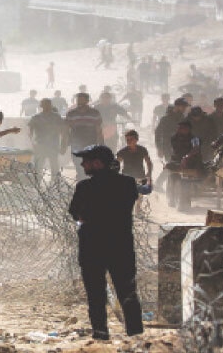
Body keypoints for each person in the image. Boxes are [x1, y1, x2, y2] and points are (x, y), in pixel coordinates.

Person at [68, 145, 144, 341]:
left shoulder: (84, 187)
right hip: (121, 246)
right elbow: (131, 199)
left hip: (92, 248)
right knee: (127, 291)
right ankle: (135, 333)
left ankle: (101, 333)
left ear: (97, 163)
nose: (83, 164)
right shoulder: (127, 183)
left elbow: (75, 212)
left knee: (96, 294)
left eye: (86, 161)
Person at [64, 93, 104, 180]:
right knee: (78, 163)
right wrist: (65, 143)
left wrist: (101, 143)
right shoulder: (71, 113)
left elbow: (98, 129)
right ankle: (81, 179)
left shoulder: (94, 113)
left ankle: (88, 180)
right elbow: (66, 130)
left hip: (90, 142)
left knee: (90, 163)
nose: (79, 102)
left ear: (87, 101)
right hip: (75, 142)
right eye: (78, 100)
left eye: (81, 100)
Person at [28, 98, 65, 175]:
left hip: (53, 145)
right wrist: (32, 143)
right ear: (41, 105)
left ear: (51, 105)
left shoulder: (56, 117)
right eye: (45, 104)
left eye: (48, 104)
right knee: (38, 166)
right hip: (40, 144)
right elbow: (30, 132)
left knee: (54, 165)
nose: (46, 106)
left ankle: (54, 182)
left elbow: (62, 131)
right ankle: (37, 182)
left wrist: (63, 145)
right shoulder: (36, 117)